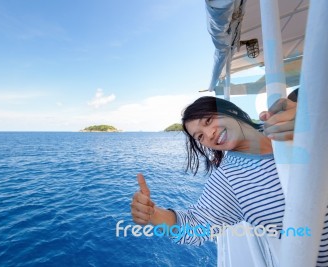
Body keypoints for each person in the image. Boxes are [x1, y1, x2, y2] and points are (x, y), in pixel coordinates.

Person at [130, 96, 327, 266]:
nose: (209, 135)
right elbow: (196, 226)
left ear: (229, 110)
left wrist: (314, 118)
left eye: (208, 121)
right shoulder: (228, 179)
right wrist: (154, 215)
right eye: (200, 137)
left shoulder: (286, 121)